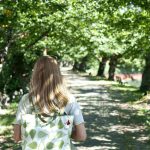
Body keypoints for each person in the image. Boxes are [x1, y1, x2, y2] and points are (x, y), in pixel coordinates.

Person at [13, 56, 87, 147]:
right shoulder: (69, 100)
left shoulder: (26, 100)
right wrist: (63, 132)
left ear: (35, 75)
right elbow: (81, 136)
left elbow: (16, 137)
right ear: (58, 74)